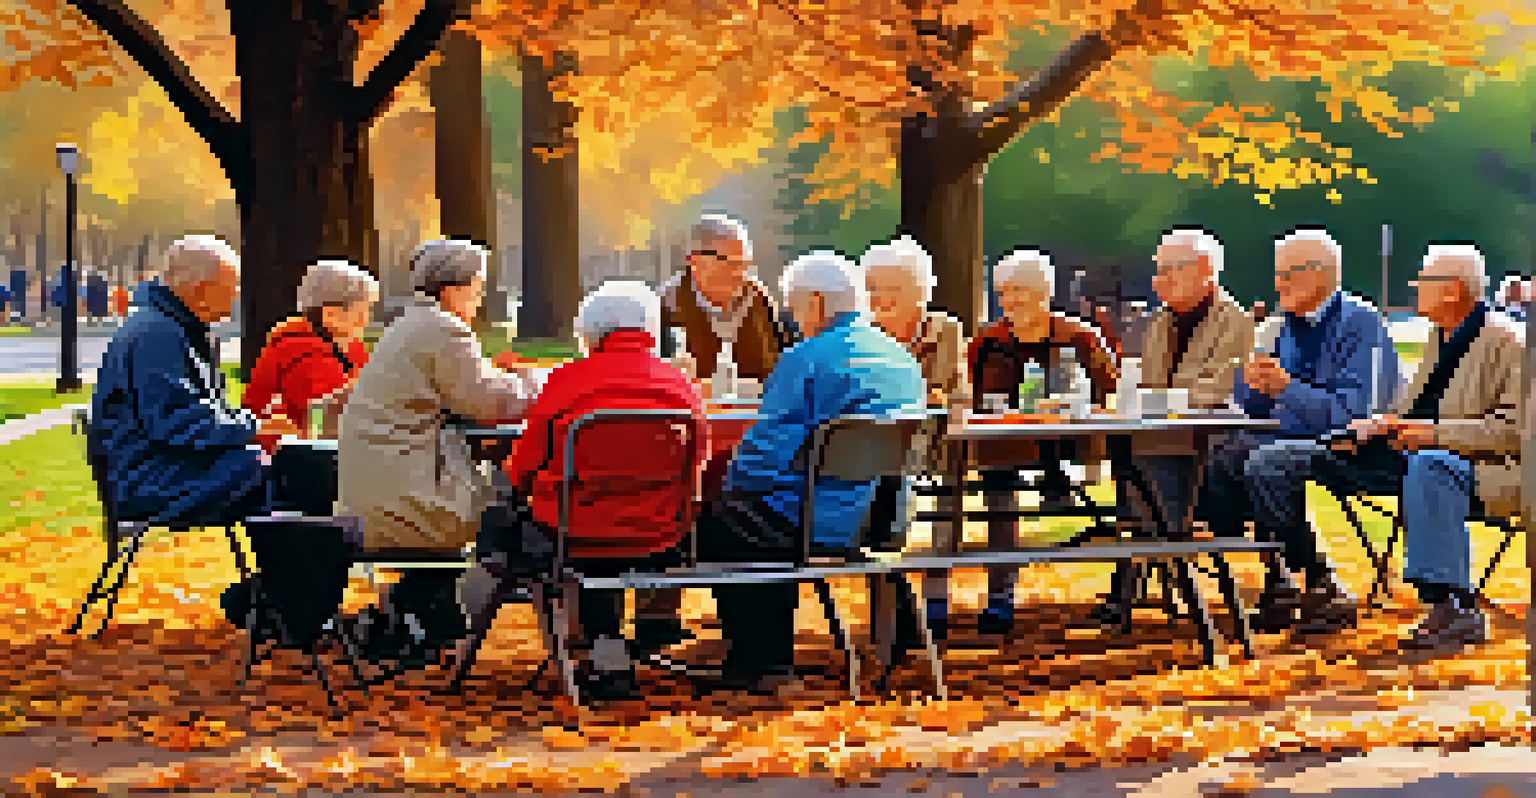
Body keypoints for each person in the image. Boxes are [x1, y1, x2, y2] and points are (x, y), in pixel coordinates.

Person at [1251, 244, 1520, 652]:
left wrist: (1432, 434)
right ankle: (1317, 582)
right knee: (1273, 461)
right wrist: (1373, 427)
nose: (1414, 288)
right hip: (1411, 457)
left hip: (1487, 470)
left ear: (1452, 290)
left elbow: (1516, 432)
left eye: (1423, 282)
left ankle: (1454, 606)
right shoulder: (1439, 337)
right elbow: (1411, 409)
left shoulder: (1509, 342)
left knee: (1431, 466)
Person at [456, 280, 710, 700]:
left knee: (517, 518)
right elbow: (696, 463)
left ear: (590, 332)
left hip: (574, 533)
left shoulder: (568, 380)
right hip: (660, 533)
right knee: (605, 523)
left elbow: (526, 463)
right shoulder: (681, 386)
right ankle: (614, 647)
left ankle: (591, 645)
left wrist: (520, 484)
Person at [701, 250, 923, 693]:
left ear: (817, 303)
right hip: (879, 518)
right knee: (749, 519)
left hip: (806, 518)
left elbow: (764, 453)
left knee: (721, 523)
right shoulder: (902, 360)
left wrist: (726, 488)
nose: (795, 318)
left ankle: (763, 662)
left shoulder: (806, 359)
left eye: (797, 307)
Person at [337, 239, 545, 663]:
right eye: (478, 287)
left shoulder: (412, 326)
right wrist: (537, 380)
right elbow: (493, 404)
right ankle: (437, 614)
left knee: (493, 504)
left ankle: (421, 615)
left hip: (380, 493)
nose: (480, 298)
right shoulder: (442, 330)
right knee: (509, 515)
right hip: (408, 498)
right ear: (452, 290)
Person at [1200, 228, 1400, 635]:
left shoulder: (1360, 324)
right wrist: (1253, 388)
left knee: (1266, 461)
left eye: (1288, 274)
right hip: (1292, 440)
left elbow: (1353, 414)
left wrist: (1285, 388)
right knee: (1218, 452)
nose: (1278, 284)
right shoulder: (1279, 327)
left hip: (1360, 445)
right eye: (1277, 275)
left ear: (1323, 275)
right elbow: (1255, 411)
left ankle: (1321, 582)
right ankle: (1279, 578)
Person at [1092, 228, 1254, 623]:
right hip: (1164, 437)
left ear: (1204, 271)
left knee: (1143, 465)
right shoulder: (1162, 322)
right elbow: (1149, 385)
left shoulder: (1236, 322)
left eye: (1169, 271)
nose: (1157, 281)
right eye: (1157, 272)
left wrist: (1156, 401)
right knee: (1129, 455)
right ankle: (1146, 568)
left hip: (1216, 441)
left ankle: (1148, 572)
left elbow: (1216, 390)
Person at [90, 235, 295, 528]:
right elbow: (177, 422)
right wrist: (256, 427)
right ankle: (292, 570)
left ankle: (288, 568)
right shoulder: (156, 334)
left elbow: (199, 413)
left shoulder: (172, 326)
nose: (236, 294)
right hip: (150, 481)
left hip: (162, 469)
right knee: (280, 470)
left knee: (281, 466)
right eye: (231, 286)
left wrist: (252, 424)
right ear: (201, 290)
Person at [967, 248, 1118, 635]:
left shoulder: (1079, 337)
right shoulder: (986, 342)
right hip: (1003, 447)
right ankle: (1000, 598)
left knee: (1132, 481)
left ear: (1045, 292)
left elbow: (1112, 394)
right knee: (999, 490)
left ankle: (1123, 592)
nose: (1010, 300)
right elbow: (966, 397)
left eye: (1019, 290)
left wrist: (1081, 409)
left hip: (1072, 442)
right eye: (1003, 293)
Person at [861, 235, 969, 642]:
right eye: (873, 288)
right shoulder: (863, 334)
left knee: (943, 494)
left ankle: (935, 603)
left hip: (935, 443)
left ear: (920, 292)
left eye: (893, 289)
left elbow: (953, 392)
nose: (881, 298)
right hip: (873, 448)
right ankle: (892, 601)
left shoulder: (945, 330)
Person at [241, 260, 378, 437]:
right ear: (331, 315)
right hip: (291, 455)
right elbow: (329, 422)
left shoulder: (342, 348)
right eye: (361, 312)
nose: (366, 321)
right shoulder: (303, 356)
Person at [659, 214, 790, 381]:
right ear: (696, 262)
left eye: (745, 264)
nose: (741, 273)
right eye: (733, 263)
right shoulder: (667, 307)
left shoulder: (759, 301)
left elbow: (776, 372)